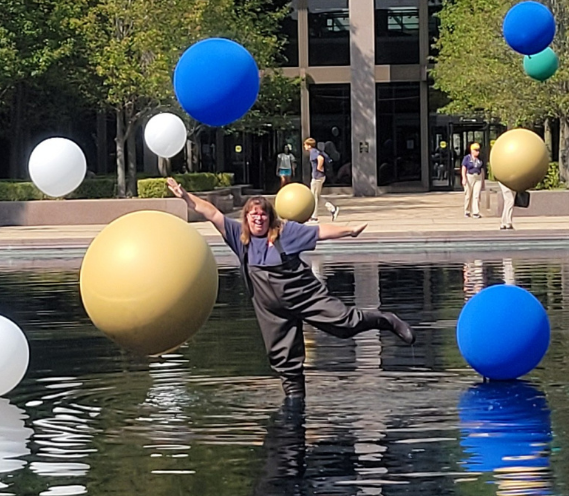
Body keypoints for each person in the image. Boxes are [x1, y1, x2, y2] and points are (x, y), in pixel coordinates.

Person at [166, 178, 416, 399]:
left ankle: (386, 320)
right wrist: (186, 196)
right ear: (246, 218)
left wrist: (348, 230)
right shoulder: (237, 236)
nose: (258, 218)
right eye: (253, 215)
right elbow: (210, 212)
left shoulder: (286, 232)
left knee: (345, 323)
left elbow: (319, 232)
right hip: (272, 311)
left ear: (269, 217)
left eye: (263, 214)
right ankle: (295, 405)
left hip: (305, 296)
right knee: (284, 360)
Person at [304, 137, 338, 222]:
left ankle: (314, 217)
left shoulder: (313, 152)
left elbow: (320, 158)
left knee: (314, 197)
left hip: (317, 177)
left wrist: (319, 168)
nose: (304, 147)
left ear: (309, 146)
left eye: (305, 145)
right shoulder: (315, 151)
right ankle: (332, 209)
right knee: (317, 196)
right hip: (320, 176)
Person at [461, 143, 485, 218]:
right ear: (471, 150)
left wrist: (483, 181)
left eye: (478, 150)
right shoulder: (467, 158)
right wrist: (464, 178)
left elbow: (482, 169)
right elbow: (464, 168)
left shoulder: (480, 159)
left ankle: (476, 212)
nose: (477, 152)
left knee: (476, 195)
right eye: (475, 150)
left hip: (478, 177)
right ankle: (467, 211)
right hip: (469, 176)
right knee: (468, 195)